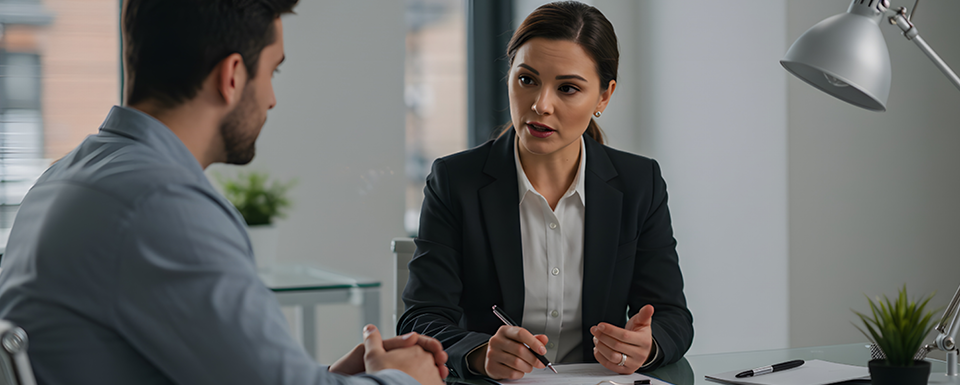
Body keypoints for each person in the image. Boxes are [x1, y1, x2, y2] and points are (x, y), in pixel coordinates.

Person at [0, 1, 447, 384]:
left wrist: (332, 377)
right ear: (232, 76)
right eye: (272, 72)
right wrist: (405, 379)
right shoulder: (159, 205)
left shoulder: (66, 175)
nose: (272, 98)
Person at [398, 1, 693, 380]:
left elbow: (673, 317)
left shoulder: (639, 183)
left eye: (567, 88)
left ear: (603, 97)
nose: (540, 104)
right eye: (527, 80)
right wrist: (479, 352)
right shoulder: (455, 181)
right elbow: (421, 318)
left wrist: (645, 346)